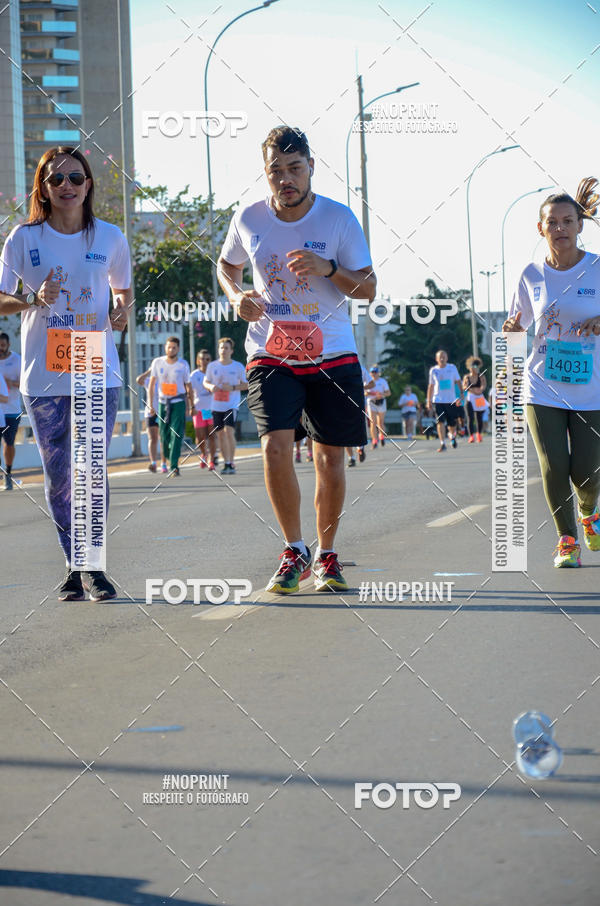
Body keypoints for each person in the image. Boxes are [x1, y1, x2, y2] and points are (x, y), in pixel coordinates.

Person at [217, 126, 376, 592]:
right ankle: (294, 549)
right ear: (265, 174)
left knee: (329, 460)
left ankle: (327, 555)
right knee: (274, 447)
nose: (285, 179)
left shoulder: (339, 219)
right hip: (271, 351)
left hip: (333, 353)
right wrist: (235, 296)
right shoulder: (248, 218)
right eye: (276, 171)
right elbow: (227, 265)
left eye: (294, 168)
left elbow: (368, 288)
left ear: (311, 167)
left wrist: (327, 268)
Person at [0, 146, 131, 600]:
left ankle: (92, 565)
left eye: (76, 178)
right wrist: (32, 299)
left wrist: (121, 314)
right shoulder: (23, 238)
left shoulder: (110, 237)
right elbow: (0, 299)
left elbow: (124, 294)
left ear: (89, 184)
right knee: (59, 475)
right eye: (57, 180)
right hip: (44, 374)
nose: (68, 186)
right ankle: (73, 564)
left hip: (96, 366)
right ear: (44, 188)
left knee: (91, 469)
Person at [504, 177, 600, 568]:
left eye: (567, 221)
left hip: (592, 388)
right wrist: (511, 331)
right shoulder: (531, 274)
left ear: (580, 226)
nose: (560, 228)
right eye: (552, 222)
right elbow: (518, 324)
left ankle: (589, 509)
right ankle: (567, 542)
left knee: (587, 473)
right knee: (553, 465)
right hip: (542, 384)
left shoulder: (596, 269)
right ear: (540, 228)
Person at [148, 336, 192, 477]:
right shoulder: (157, 362)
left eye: (174, 347)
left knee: (176, 434)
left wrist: (190, 405)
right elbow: (151, 385)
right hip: (162, 402)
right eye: (169, 347)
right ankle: (167, 455)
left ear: (178, 349)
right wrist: (150, 404)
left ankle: (174, 466)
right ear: (165, 348)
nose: (171, 349)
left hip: (178, 402)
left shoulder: (183, 364)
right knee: (164, 434)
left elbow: (188, 386)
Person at [203, 337, 247, 475]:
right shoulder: (212, 366)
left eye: (226, 348)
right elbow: (206, 381)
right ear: (218, 350)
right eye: (221, 347)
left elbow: (247, 384)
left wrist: (233, 387)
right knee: (220, 434)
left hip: (231, 404)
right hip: (216, 405)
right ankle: (226, 461)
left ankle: (230, 462)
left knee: (229, 431)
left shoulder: (238, 366)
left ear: (231, 351)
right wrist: (211, 387)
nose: (223, 350)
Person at [426, 349, 462, 452]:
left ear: (447, 358)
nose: (442, 358)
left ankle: (452, 435)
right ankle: (442, 443)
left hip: (450, 400)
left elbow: (458, 381)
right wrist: (428, 401)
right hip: (438, 400)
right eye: (440, 357)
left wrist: (461, 394)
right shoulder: (433, 370)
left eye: (444, 356)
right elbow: (431, 385)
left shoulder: (452, 368)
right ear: (436, 359)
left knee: (452, 423)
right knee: (440, 421)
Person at [0, 333, 22, 490]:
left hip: (12, 410)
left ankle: (8, 473)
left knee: (9, 443)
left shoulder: (16, 360)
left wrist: (10, 383)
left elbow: (25, 384)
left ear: (8, 345)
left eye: (3, 345)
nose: (0, 348)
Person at [190, 348, 216, 470]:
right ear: (197, 361)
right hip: (198, 409)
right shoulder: (194, 375)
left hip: (211, 409)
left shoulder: (214, 373)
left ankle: (212, 459)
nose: (204, 361)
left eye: (207, 359)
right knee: (200, 436)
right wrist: (191, 407)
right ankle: (204, 453)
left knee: (211, 435)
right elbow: (189, 393)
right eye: (202, 359)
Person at [136, 366, 163, 473]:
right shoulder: (148, 380)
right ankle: (153, 463)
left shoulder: (163, 380)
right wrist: (149, 371)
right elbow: (138, 380)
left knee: (163, 439)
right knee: (152, 438)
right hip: (150, 412)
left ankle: (164, 462)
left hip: (162, 412)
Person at [348, 364, 375, 465]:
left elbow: (372, 384)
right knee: (345, 430)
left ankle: (360, 448)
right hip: (343, 402)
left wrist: (361, 386)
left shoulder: (360, 368)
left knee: (357, 427)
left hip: (358, 402)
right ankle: (351, 458)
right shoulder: (337, 366)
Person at [462, 356, 487, 443]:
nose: (474, 369)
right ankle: (471, 436)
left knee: (479, 417)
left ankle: (479, 434)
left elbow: (484, 385)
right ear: (469, 367)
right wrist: (471, 389)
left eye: (476, 367)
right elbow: (464, 386)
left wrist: (480, 389)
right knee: (470, 417)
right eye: (472, 367)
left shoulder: (481, 376)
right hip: (470, 398)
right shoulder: (467, 377)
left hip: (479, 397)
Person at [365, 365, 391, 449]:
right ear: (370, 373)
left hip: (381, 402)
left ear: (378, 373)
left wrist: (381, 394)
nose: (374, 374)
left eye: (375, 372)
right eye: (372, 372)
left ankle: (381, 436)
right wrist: (370, 393)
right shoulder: (367, 381)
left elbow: (388, 393)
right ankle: (374, 440)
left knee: (381, 422)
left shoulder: (382, 381)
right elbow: (363, 392)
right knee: (373, 422)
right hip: (371, 402)